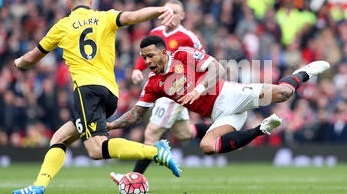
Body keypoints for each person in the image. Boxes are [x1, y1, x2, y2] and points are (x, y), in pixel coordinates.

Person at [10, 0, 181, 194]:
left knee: (96, 149)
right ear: (91, 1)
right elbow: (132, 16)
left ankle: (154, 152)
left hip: (86, 91)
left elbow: (31, 58)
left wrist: (19, 62)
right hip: (110, 93)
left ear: (68, 3)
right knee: (60, 138)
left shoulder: (62, 26)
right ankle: (38, 186)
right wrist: (159, 9)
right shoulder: (105, 17)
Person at [107, 35, 330, 157]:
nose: (147, 62)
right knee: (206, 146)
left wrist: (198, 90)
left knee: (284, 93)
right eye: (143, 58)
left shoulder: (183, 54)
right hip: (219, 115)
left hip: (229, 95)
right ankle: (262, 129)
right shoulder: (153, 84)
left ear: (164, 53)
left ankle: (305, 72)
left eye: (150, 56)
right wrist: (110, 126)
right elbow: (136, 114)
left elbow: (218, 69)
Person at [110, 0, 209, 184]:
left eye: (175, 12)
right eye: (167, 11)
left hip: (175, 91)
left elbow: (202, 59)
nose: (170, 15)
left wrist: (197, 85)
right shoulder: (155, 33)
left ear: (182, 16)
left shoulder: (188, 36)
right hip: (161, 89)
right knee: (183, 133)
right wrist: (138, 69)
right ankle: (219, 131)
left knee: (151, 134)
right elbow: (146, 55)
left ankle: (132, 179)